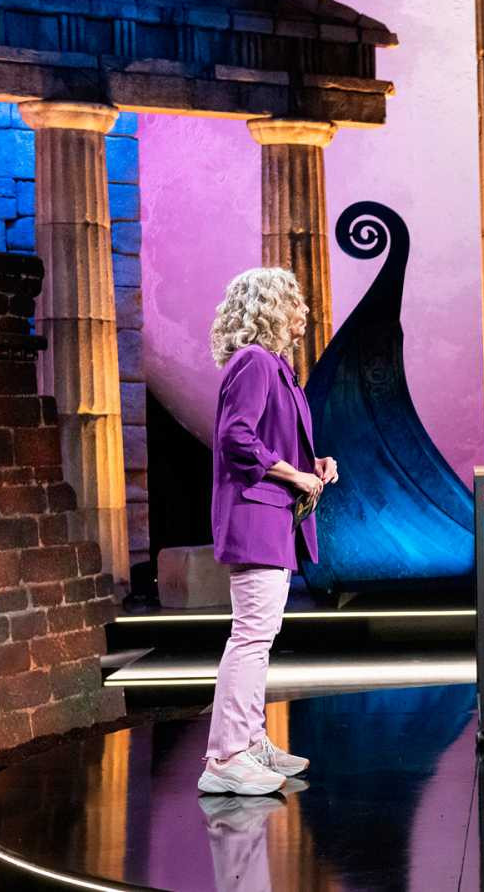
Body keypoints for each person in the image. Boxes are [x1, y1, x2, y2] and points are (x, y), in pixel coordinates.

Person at [198, 267, 340, 795]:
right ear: (271, 307)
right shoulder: (254, 361)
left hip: (273, 516)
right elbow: (235, 438)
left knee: (260, 635)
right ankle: (225, 758)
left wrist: (312, 464)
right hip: (255, 515)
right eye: (294, 301)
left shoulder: (276, 366)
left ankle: (250, 740)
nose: (304, 310)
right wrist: (294, 475)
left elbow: (269, 439)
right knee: (251, 637)